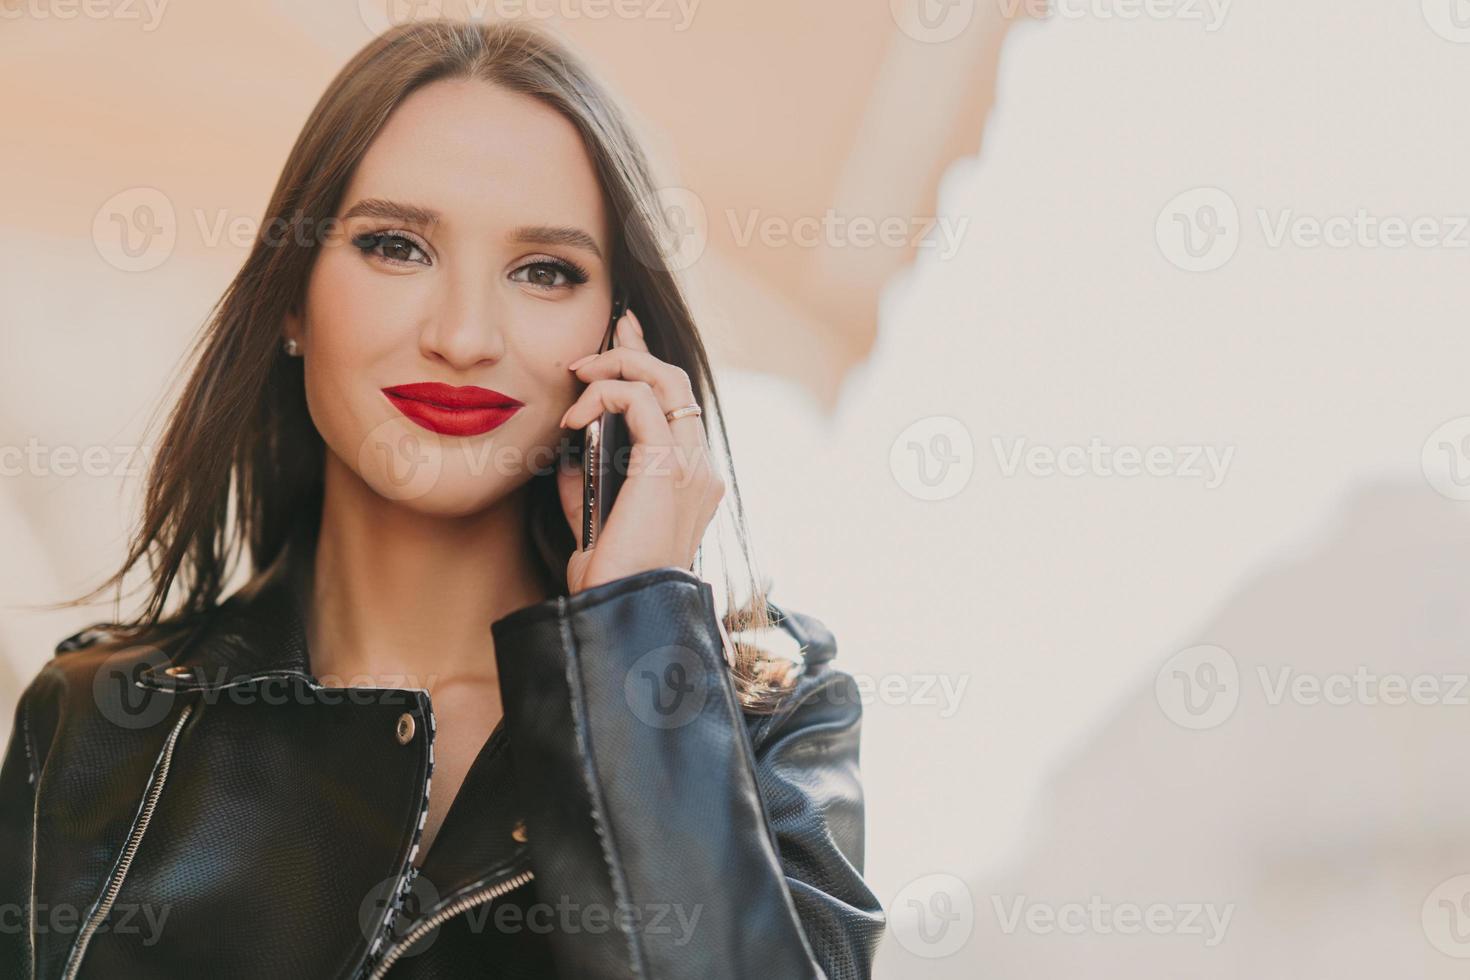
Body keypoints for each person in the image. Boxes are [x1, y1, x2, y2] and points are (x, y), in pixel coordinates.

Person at [0, 17, 885, 980]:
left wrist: (636, 647)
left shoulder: (768, 723)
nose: (464, 336)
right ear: (292, 296)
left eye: (545, 271)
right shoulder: (100, 721)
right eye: (395, 246)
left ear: (621, 336)